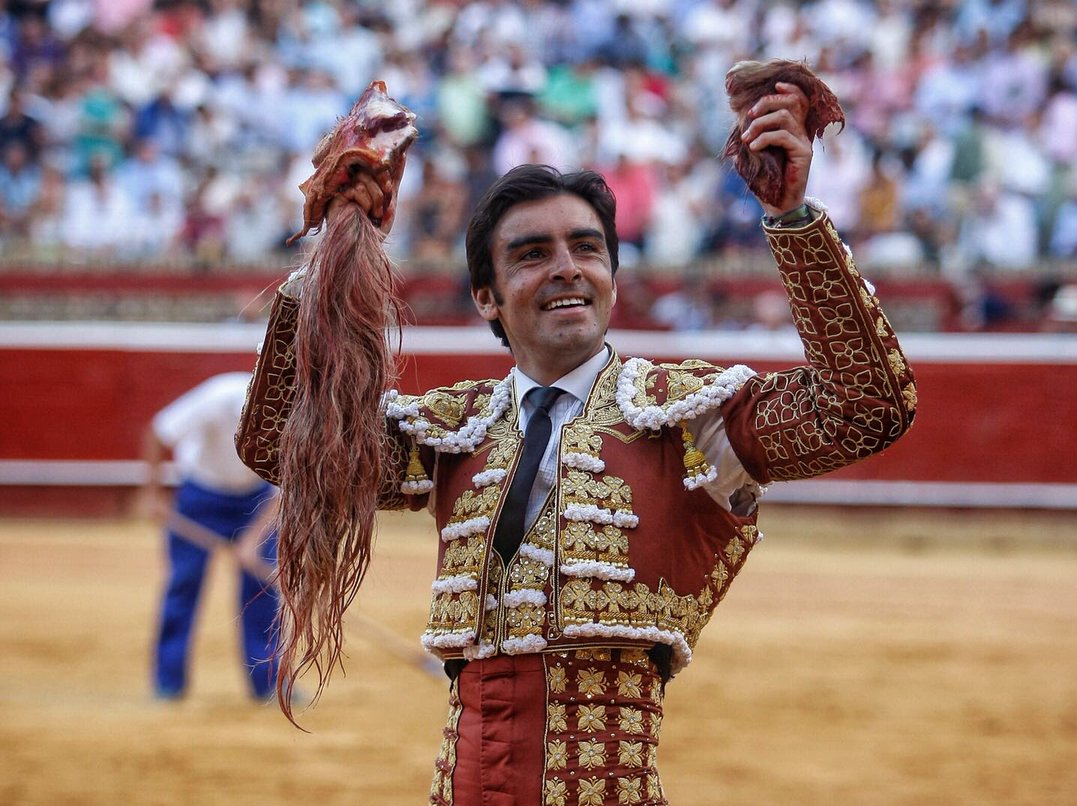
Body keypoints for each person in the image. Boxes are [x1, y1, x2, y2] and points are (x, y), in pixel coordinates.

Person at [237, 78, 917, 804]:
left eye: (586, 247)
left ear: (612, 279)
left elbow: (865, 406)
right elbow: (281, 444)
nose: (566, 266)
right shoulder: (457, 431)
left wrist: (793, 219)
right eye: (531, 253)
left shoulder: (689, 421)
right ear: (486, 297)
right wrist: (339, 242)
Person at [142, 371, 281, 702]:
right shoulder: (217, 397)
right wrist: (153, 493)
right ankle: (168, 682)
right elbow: (158, 432)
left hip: (256, 499)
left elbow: (286, 488)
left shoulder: (287, 413)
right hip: (201, 495)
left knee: (261, 591)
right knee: (183, 583)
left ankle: (267, 684)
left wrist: (252, 539)